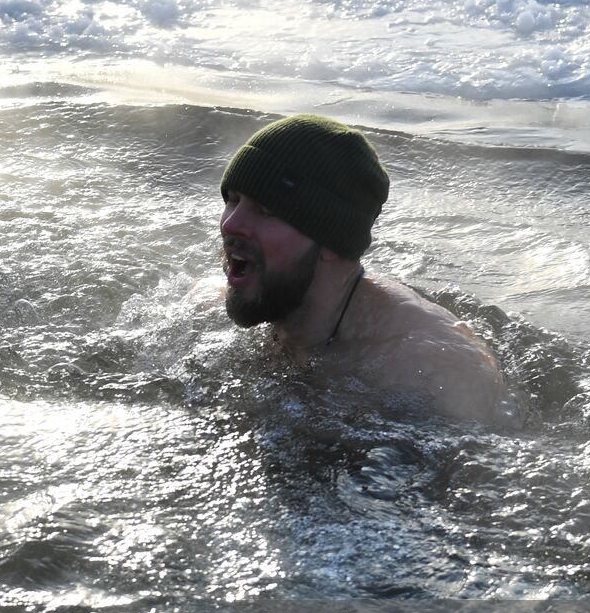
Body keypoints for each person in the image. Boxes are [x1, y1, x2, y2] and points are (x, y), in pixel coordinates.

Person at [196, 113, 518, 427]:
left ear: (331, 242)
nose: (230, 224)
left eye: (266, 210)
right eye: (233, 200)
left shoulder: (429, 372)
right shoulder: (209, 303)